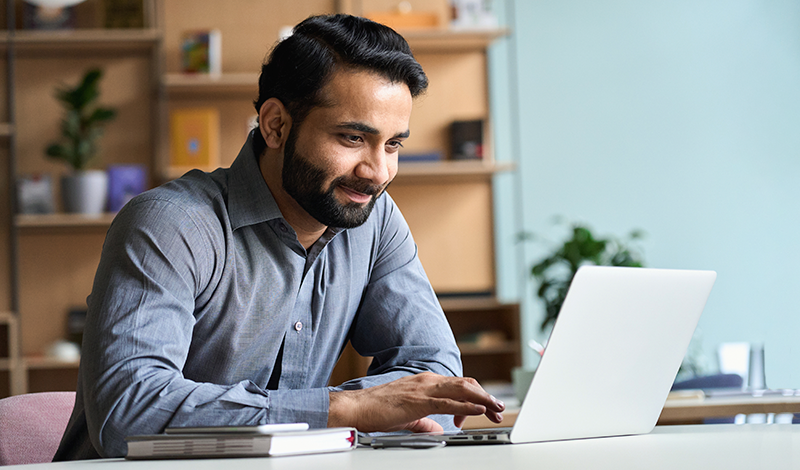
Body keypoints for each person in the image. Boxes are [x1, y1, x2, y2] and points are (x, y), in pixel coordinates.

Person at [54, 14, 504, 460]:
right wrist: (346, 409)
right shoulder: (170, 225)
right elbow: (128, 413)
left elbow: (435, 373)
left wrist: (373, 409)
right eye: (351, 138)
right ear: (275, 125)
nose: (378, 173)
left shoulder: (375, 220)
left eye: (392, 145)